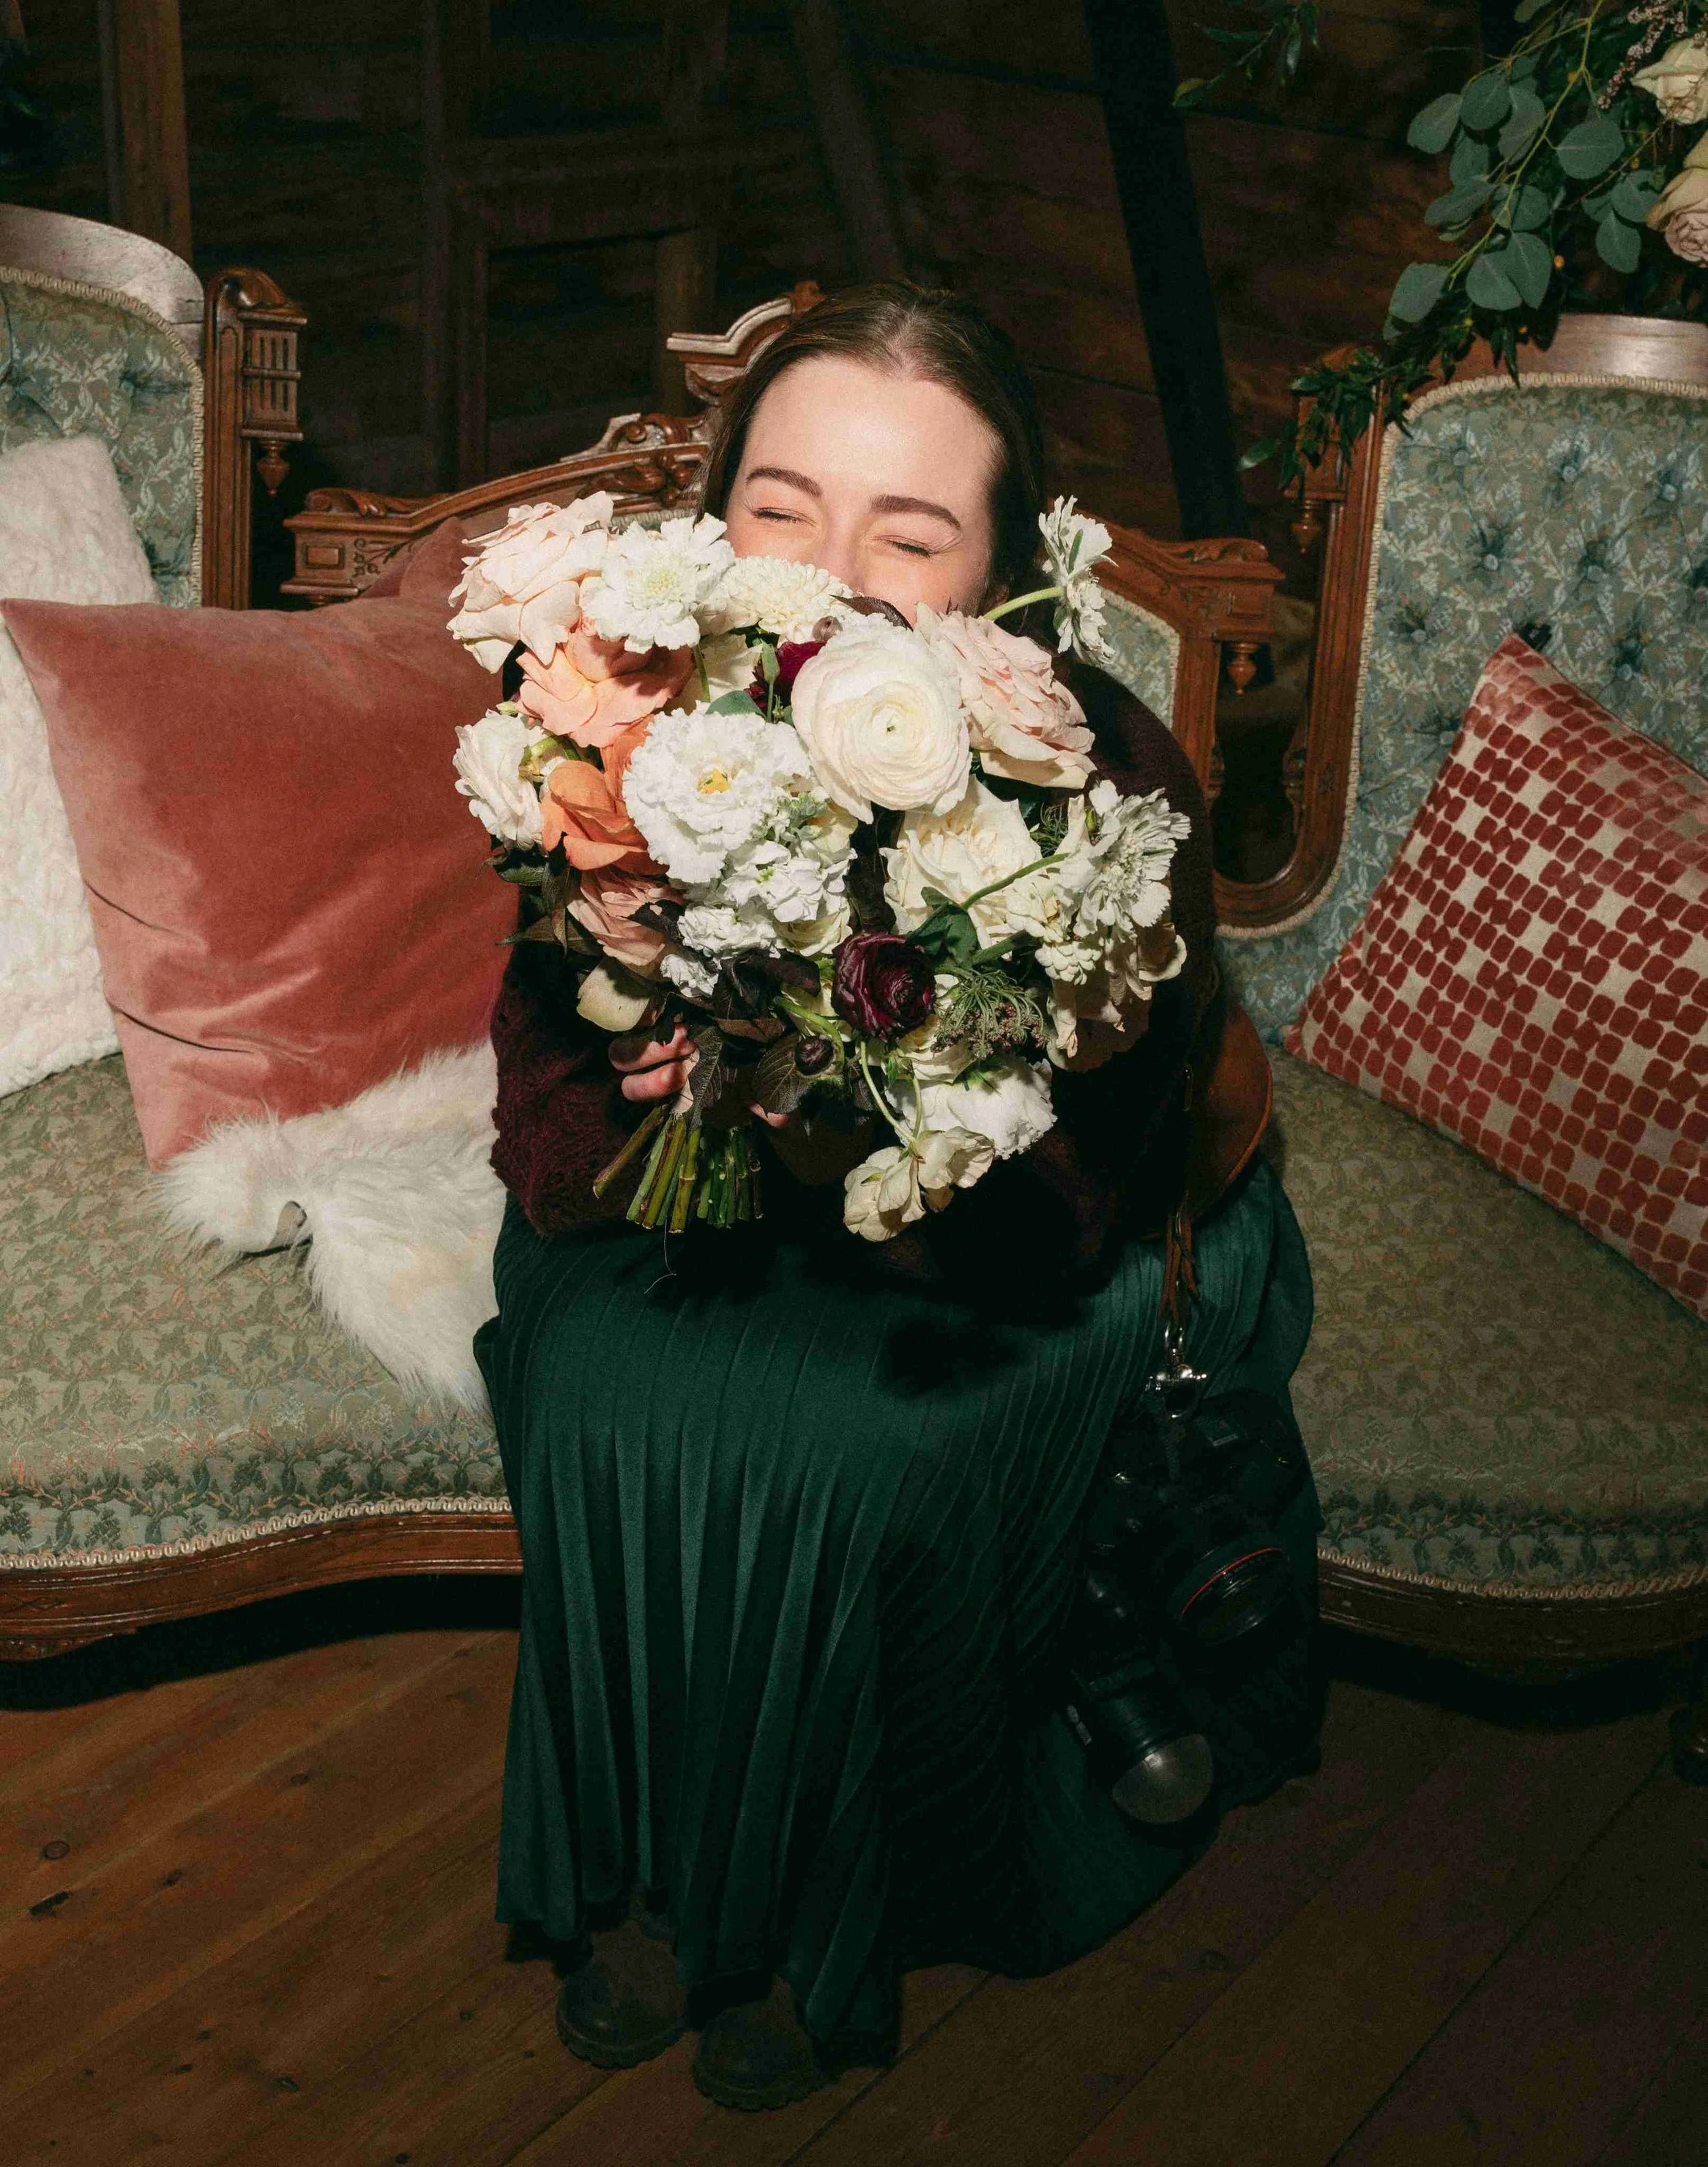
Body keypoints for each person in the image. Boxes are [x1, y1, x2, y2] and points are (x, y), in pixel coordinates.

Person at [474, 282, 1318, 2112]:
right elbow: (537, 1133)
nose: (834, 581)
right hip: (683, 1227)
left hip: (984, 1262)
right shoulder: (629, 725)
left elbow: (1061, 1225)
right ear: (716, 517)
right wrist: (642, 1081)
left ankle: (822, 1907)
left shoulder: (1101, 784)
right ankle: (642, 1863)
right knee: (598, 1385)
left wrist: (808, 1105)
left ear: (1003, 579)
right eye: (781, 507)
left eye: (910, 533)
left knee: (864, 1460)